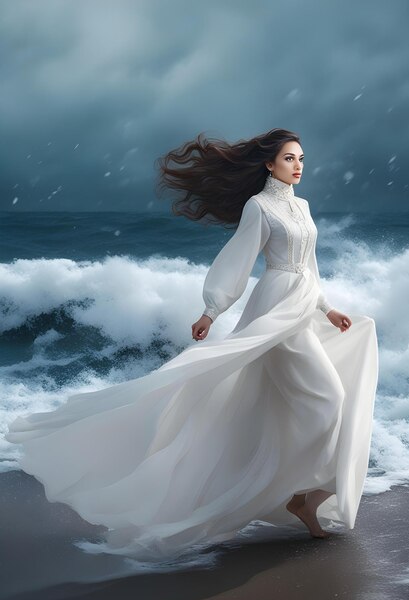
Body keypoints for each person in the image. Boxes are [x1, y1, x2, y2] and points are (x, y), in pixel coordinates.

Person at [5, 128, 379, 561]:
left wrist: (327, 309)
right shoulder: (259, 207)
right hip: (275, 310)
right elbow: (237, 262)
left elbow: (310, 267)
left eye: (301, 159)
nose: (298, 166)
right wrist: (212, 310)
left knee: (319, 402)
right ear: (268, 164)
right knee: (328, 399)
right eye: (290, 159)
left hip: (303, 306)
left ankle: (305, 497)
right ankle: (295, 492)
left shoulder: (304, 207)